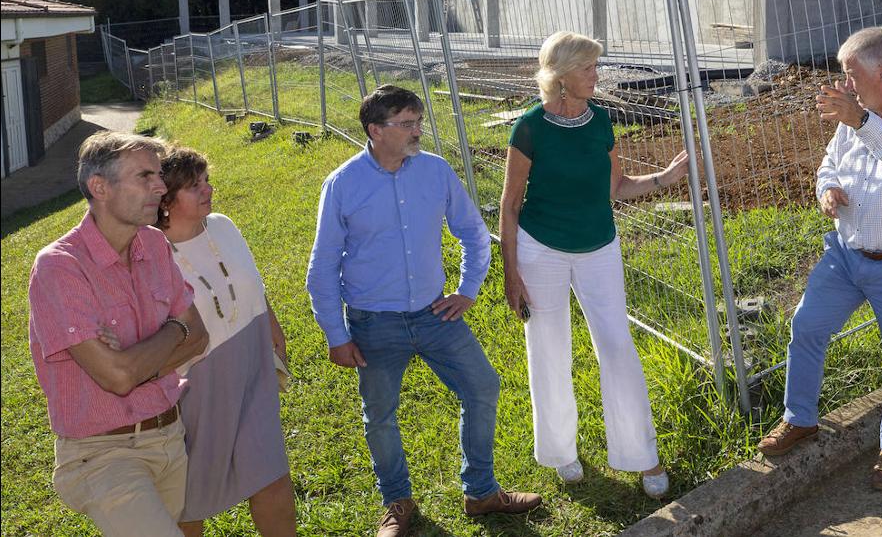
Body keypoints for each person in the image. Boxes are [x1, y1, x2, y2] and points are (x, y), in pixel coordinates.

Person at [306, 84, 540, 537]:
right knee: (380, 414)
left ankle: (480, 491)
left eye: (418, 121)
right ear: (375, 130)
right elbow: (322, 267)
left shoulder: (434, 171)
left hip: (437, 316)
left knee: (482, 387)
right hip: (374, 323)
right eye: (406, 124)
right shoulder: (342, 185)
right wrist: (337, 335)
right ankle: (397, 502)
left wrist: (468, 290)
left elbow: (473, 232)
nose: (417, 131)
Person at [757, 27, 882, 491]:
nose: (845, 84)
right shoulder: (855, 121)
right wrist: (826, 188)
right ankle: (800, 417)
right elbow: (829, 162)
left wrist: (863, 122)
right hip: (846, 256)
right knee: (807, 327)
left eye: (851, 74)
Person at [499, 31, 689, 499]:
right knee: (548, 349)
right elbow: (509, 204)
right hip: (540, 248)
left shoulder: (601, 122)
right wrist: (511, 274)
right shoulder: (530, 127)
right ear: (561, 76)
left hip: (599, 247)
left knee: (617, 347)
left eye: (594, 66)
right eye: (588, 68)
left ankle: (642, 456)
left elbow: (615, 188)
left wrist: (665, 177)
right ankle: (561, 451)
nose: (596, 75)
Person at [28, 131, 208, 535]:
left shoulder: (154, 244)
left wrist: (134, 357)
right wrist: (172, 331)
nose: (160, 187)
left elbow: (199, 337)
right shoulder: (60, 267)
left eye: (159, 175)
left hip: (169, 436)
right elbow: (118, 377)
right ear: (99, 187)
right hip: (103, 455)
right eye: (145, 176)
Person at [154, 147, 296, 536]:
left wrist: (274, 332)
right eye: (194, 186)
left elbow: (253, 285)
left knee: (272, 475)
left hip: (252, 363)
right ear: (165, 201)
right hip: (197, 385)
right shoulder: (152, 256)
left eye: (206, 180)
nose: (208, 190)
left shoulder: (223, 225)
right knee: (189, 492)